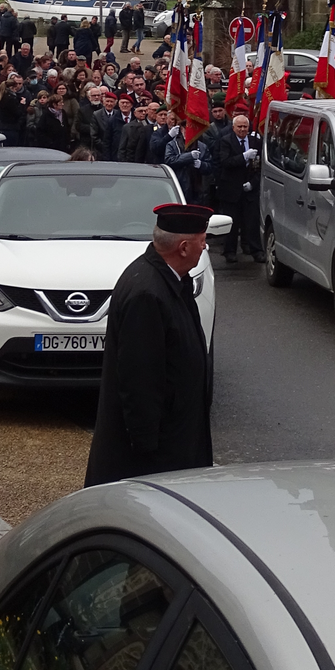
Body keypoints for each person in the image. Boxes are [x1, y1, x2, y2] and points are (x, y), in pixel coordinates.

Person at [84, 202, 215, 486]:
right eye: (202, 241)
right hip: (155, 460)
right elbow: (139, 380)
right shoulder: (147, 294)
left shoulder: (170, 281)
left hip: (172, 443)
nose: (205, 247)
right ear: (183, 248)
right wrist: (147, 452)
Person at [212, 110, 264, 263]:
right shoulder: (226, 141)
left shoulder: (255, 141)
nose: (242, 129)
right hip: (231, 188)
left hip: (250, 189)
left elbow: (260, 166)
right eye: (239, 127)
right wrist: (243, 157)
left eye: (245, 127)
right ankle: (230, 251)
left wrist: (253, 183)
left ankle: (256, 251)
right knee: (232, 222)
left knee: (252, 222)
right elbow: (225, 162)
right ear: (233, 127)